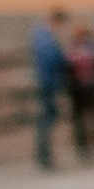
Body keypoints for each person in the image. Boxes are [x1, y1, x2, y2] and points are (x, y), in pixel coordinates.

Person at [28, 11, 69, 172]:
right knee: (46, 119)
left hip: (47, 82)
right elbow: (52, 59)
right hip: (49, 83)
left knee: (47, 119)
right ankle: (44, 156)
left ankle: (45, 155)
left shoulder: (42, 36)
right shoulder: (46, 37)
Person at [66, 22, 94, 160]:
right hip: (80, 90)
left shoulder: (93, 48)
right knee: (81, 120)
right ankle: (84, 149)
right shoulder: (74, 49)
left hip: (91, 88)